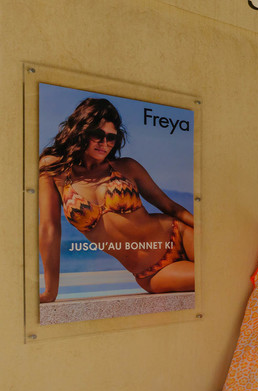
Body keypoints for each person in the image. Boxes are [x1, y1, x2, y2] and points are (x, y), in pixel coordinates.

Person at [39, 97, 195, 302]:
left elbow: (170, 206)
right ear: (81, 131)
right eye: (98, 135)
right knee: (219, 278)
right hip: (151, 272)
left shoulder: (127, 167)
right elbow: (49, 229)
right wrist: (50, 291)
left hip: (178, 234)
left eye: (111, 138)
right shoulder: (53, 169)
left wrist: (207, 232)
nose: (104, 143)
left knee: (235, 271)